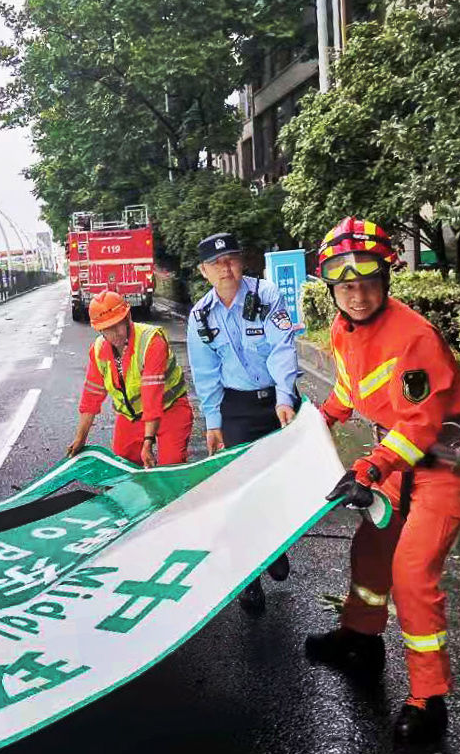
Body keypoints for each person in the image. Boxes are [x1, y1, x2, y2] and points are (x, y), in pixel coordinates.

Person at [304, 217, 460, 746]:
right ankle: (361, 639)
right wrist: (314, 425)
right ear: (333, 289)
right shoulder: (344, 330)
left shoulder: (414, 337)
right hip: (401, 458)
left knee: (411, 571)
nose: (357, 295)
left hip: (447, 463)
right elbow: (349, 388)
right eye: (346, 286)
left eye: (367, 283)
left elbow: (422, 425)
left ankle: (429, 699)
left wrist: (370, 467)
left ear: (386, 280)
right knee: (370, 549)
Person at [186, 232, 301, 615]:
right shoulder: (201, 315)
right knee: (239, 493)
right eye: (217, 264)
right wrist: (213, 422)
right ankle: (248, 579)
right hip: (235, 408)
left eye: (232, 260)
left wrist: (285, 397)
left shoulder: (265, 295)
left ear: (242, 262)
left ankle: (275, 546)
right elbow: (206, 373)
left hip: (274, 402)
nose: (226, 268)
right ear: (204, 271)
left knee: (277, 484)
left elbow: (283, 347)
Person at [66, 291, 193, 468]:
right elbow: (91, 396)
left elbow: (152, 395)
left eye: (118, 325)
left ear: (128, 318)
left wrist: (147, 442)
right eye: (108, 328)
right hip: (132, 415)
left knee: (171, 466)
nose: (115, 333)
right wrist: (80, 438)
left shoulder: (151, 341)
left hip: (170, 409)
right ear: (100, 330)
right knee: (123, 465)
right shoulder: (98, 350)